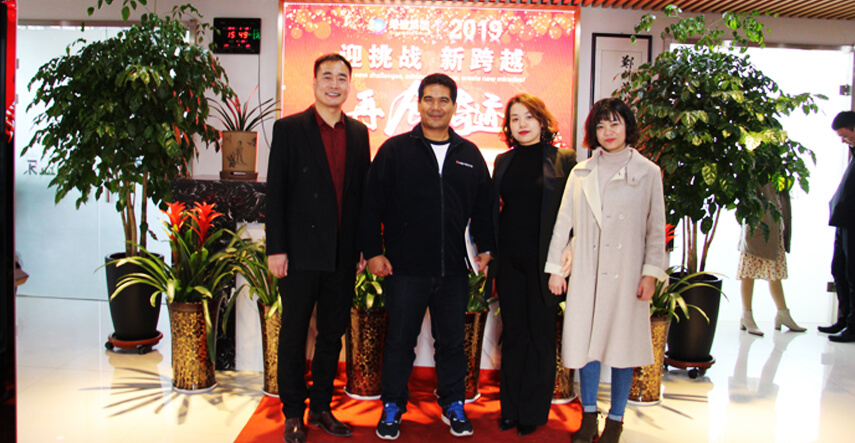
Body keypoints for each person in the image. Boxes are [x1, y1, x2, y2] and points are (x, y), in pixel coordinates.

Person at [358, 73, 494, 440]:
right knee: (400, 342)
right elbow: (371, 205)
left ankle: (453, 403)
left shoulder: (469, 154)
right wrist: (373, 252)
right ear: (418, 104)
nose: (436, 106)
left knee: (451, 343)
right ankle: (392, 405)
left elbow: (484, 207)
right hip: (405, 268)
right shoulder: (395, 150)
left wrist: (485, 248)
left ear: (454, 106)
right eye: (429, 99)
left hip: (453, 270)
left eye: (443, 100)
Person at [545, 97, 667, 443]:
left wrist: (650, 274)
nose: (608, 131)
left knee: (622, 348)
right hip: (587, 271)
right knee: (588, 346)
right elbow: (564, 221)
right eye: (600, 125)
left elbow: (656, 229)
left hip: (627, 274)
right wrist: (556, 269)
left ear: (628, 127)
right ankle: (588, 417)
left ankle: (615, 420)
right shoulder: (581, 172)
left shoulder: (648, 172)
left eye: (615, 123)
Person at [266, 53, 370, 443]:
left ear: (349, 86)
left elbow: (361, 196)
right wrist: (277, 249)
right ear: (314, 83)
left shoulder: (358, 133)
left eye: (342, 78)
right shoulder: (289, 129)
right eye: (327, 77)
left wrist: (363, 247)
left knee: (331, 334)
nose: (334, 84)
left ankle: (322, 407)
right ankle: (293, 412)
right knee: (294, 334)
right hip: (299, 252)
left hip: (343, 253)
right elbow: (276, 193)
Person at [489, 94, 576, 436]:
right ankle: (509, 409)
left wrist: (563, 262)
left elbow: (573, 215)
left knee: (540, 337)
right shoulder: (503, 161)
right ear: (508, 126)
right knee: (513, 336)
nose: (522, 124)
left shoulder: (564, 159)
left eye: (529, 117)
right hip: (510, 262)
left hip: (546, 265)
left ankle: (532, 411)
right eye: (515, 119)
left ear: (542, 121)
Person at [737, 182, 805, 336]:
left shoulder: (778, 169)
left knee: (774, 269)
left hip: (774, 223)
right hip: (758, 223)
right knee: (749, 269)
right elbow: (748, 191)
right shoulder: (757, 167)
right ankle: (746, 315)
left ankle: (783, 313)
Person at [823, 111, 855, 342]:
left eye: (846, 135)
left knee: (852, 275)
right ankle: (843, 319)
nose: (844, 141)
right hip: (843, 221)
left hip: (852, 222)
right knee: (839, 271)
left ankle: (852, 327)